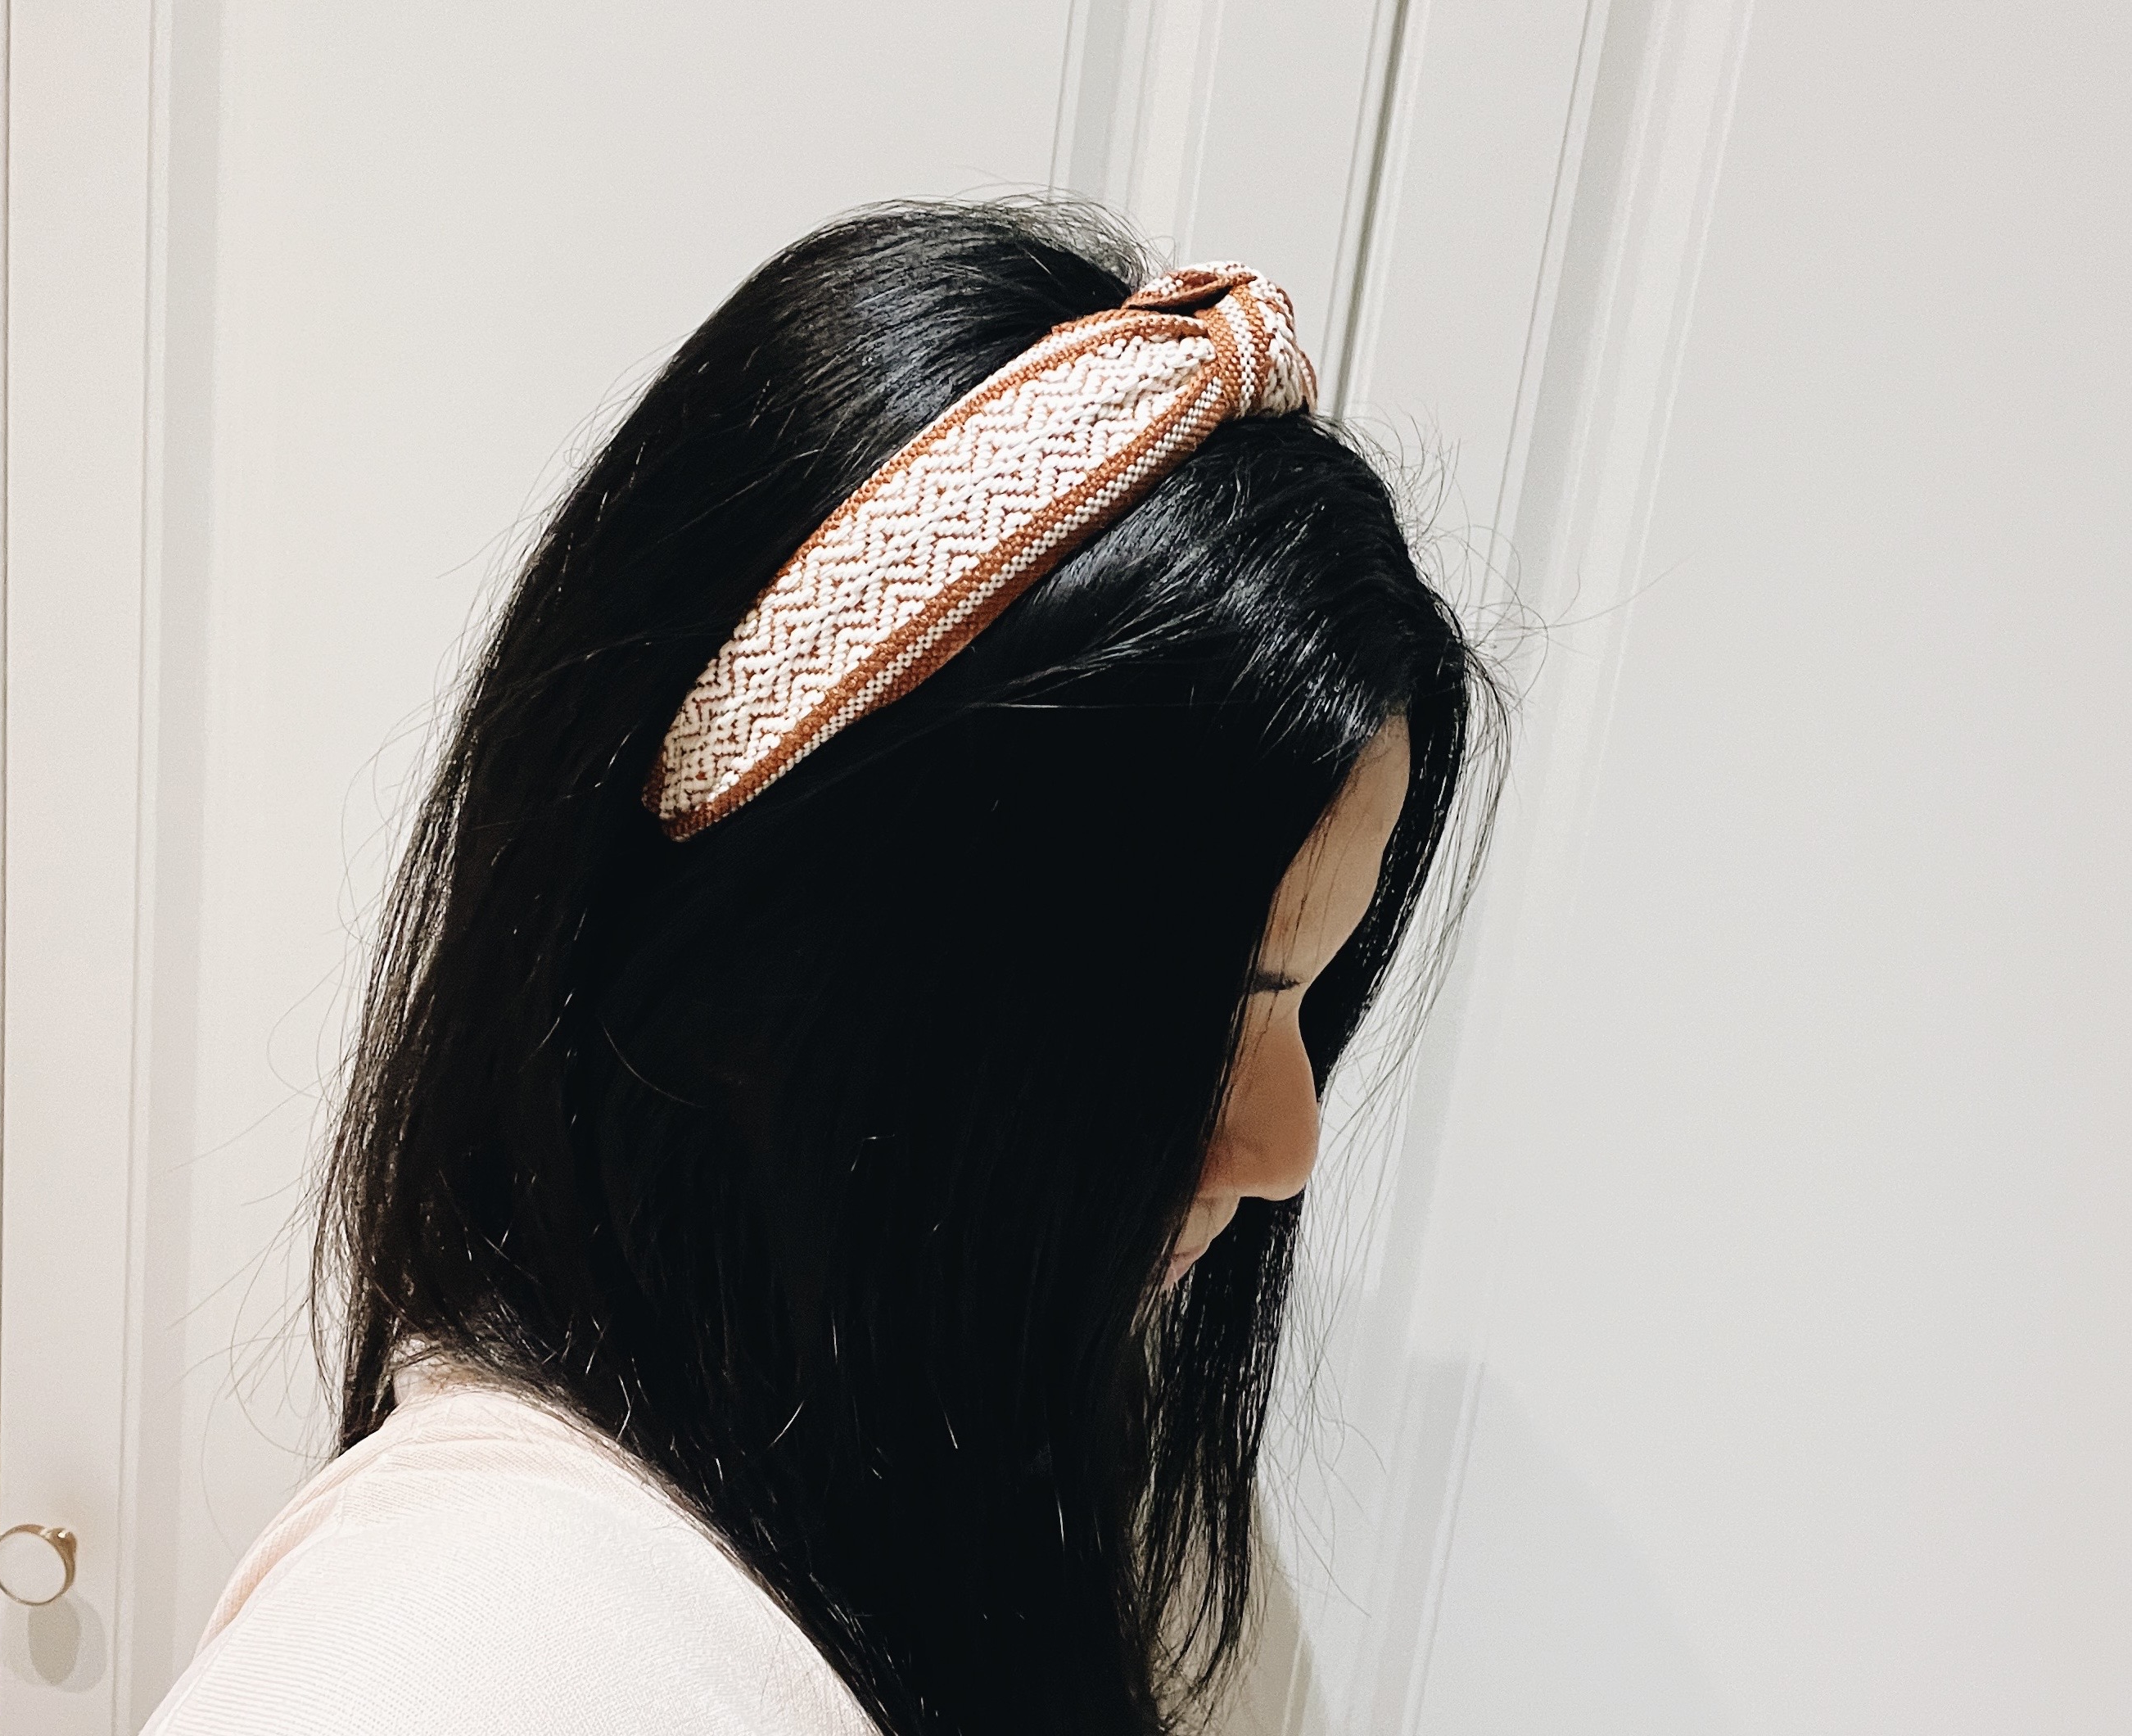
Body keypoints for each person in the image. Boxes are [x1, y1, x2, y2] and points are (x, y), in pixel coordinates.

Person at [141, 199, 1495, 1736]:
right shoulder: (462, 1664)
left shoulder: (1037, 1454)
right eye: (1195, 1013)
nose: (1286, 1144)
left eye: (1307, 995)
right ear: (760, 978)